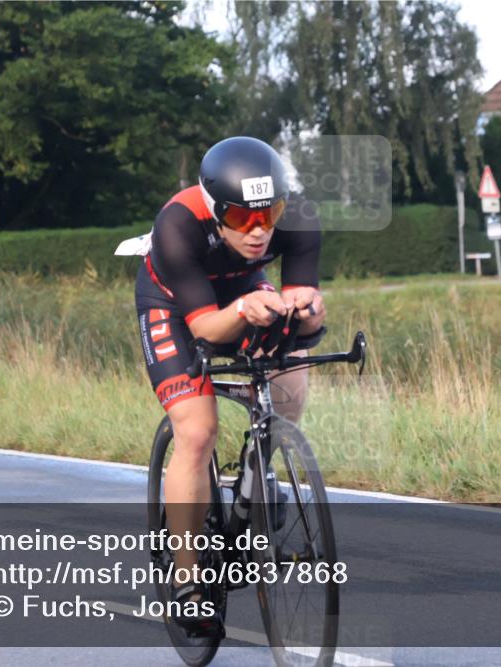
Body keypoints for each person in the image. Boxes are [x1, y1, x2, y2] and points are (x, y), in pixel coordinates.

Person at [134, 136, 326, 634]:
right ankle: (187, 580)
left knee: (290, 380)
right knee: (197, 432)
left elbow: (301, 302)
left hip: (241, 285)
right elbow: (206, 330)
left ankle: (258, 470)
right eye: (243, 219)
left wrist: (304, 314)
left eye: (270, 214)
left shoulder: (297, 217)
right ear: (217, 211)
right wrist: (243, 311)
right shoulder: (177, 225)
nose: (260, 230)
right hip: (176, 304)